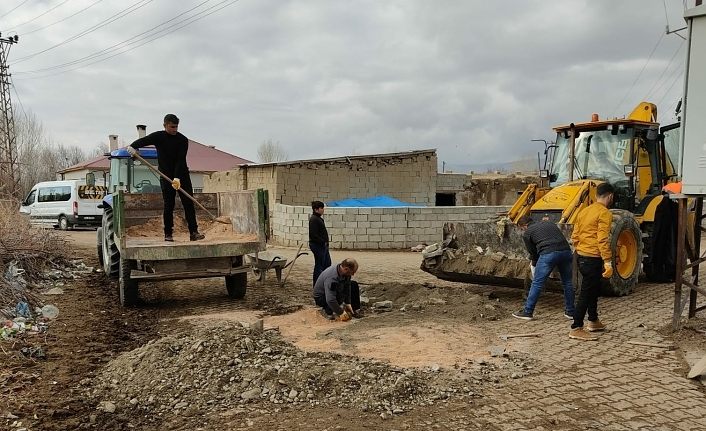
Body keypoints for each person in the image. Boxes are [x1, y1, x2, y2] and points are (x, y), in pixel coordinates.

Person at [127, 114, 204, 242]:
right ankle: (168, 234)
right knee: (169, 205)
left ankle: (193, 232)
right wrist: (132, 146)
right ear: (165, 125)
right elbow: (143, 141)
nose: (174, 129)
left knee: (188, 203)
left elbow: (180, 160)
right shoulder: (158, 137)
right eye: (172, 126)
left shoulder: (182, 140)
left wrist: (178, 178)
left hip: (182, 176)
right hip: (165, 176)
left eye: (176, 127)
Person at [569, 182, 614, 341]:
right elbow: (603, 239)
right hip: (593, 258)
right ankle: (576, 327)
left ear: (596, 196)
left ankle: (593, 320)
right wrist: (608, 261)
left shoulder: (584, 211)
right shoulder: (605, 214)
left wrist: (581, 249)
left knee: (593, 289)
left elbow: (574, 236)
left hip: (581, 256)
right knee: (587, 292)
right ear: (610, 196)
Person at [512, 215, 575, 321]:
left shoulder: (528, 233)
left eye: (521, 229)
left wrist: (534, 266)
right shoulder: (549, 223)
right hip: (566, 252)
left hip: (548, 254)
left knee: (537, 283)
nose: (522, 231)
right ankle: (571, 312)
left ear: (525, 226)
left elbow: (533, 253)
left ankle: (528, 312)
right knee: (567, 282)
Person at [309, 200, 331, 286]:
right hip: (318, 246)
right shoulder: (314, 220)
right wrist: (322, 242)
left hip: (322, 246)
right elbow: (313, 235)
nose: (323, 210)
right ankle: (317, 284)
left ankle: (324, 283)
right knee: (319, 266)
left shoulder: (318, 219)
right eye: (321, 208)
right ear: (316, 209)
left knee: (326, 264)